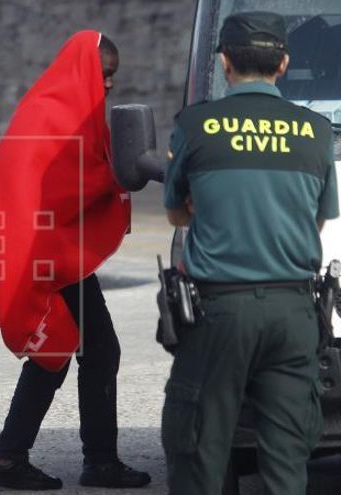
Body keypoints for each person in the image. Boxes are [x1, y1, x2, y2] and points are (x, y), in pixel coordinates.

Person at [0, 31, 151, 490]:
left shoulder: (80, 117)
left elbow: (81, 173)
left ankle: (37, 458)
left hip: (61, 254)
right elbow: (19, 178)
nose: (108, 86)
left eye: (113, 78)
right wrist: (112, 176)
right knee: (75, 352)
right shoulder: (45, 113)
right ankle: (39, 460)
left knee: (82, 351)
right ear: (82, 70)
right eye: (102, 75)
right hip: (42, 253)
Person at [162, 11, 337, 494]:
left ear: (223, 63)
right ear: (283, 63)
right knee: (288, 456)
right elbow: (318, 221)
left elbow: (176, 214)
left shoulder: (196, 126)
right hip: (294, 313)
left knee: (201, 448)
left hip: (220, 312)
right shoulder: (317, 131)